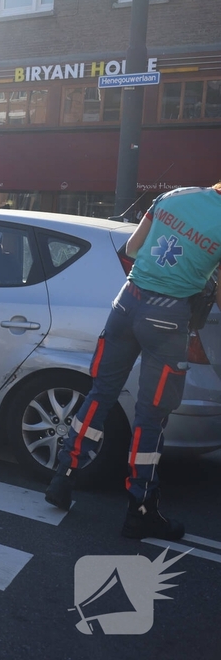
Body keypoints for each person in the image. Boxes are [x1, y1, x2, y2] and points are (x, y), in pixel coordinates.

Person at [45, 183, 221, 540]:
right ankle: (141, 508)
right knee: (150, 416)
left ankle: (63, 476)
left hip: (125, 304)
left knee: (100, 393)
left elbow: (133, 248)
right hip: (168, 318)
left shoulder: (175, 196)